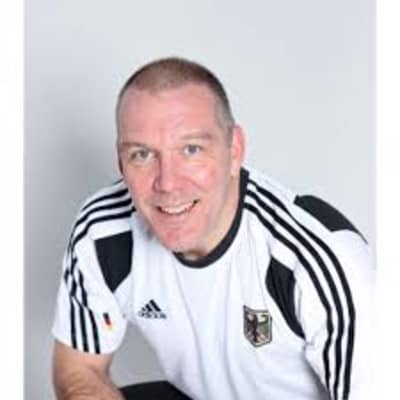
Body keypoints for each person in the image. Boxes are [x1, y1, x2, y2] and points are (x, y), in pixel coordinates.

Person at [52, 57, 374, 400]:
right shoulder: (103, 231)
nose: (168, 183)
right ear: (121, 162)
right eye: (142, 155)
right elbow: (79, 370)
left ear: (234, 150)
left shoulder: (318, 256)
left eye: (191, 150)